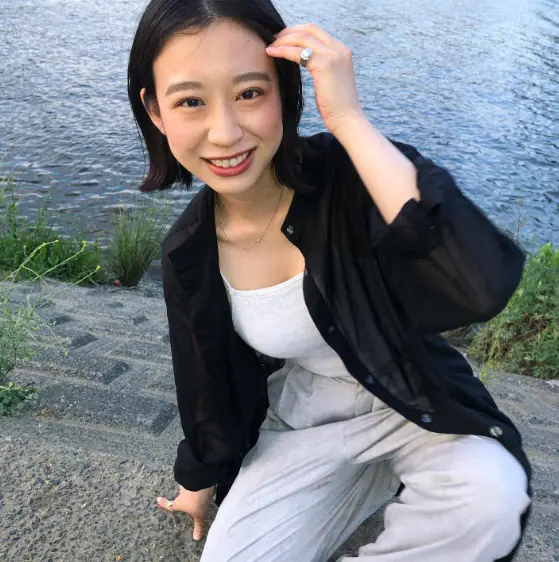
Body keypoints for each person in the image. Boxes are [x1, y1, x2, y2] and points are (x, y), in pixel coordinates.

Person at [127, 0, 532, 560]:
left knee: (489, 500)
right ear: (154, 110)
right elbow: (206, 382)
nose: (225, 132)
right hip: (305, 421)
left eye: (250, 93)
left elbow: (478, 284)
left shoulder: (349, 176)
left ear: (284, 89)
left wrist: (350, 121)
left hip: (413, 395)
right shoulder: (189, 252)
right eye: (190, 101)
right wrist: (198, 481)